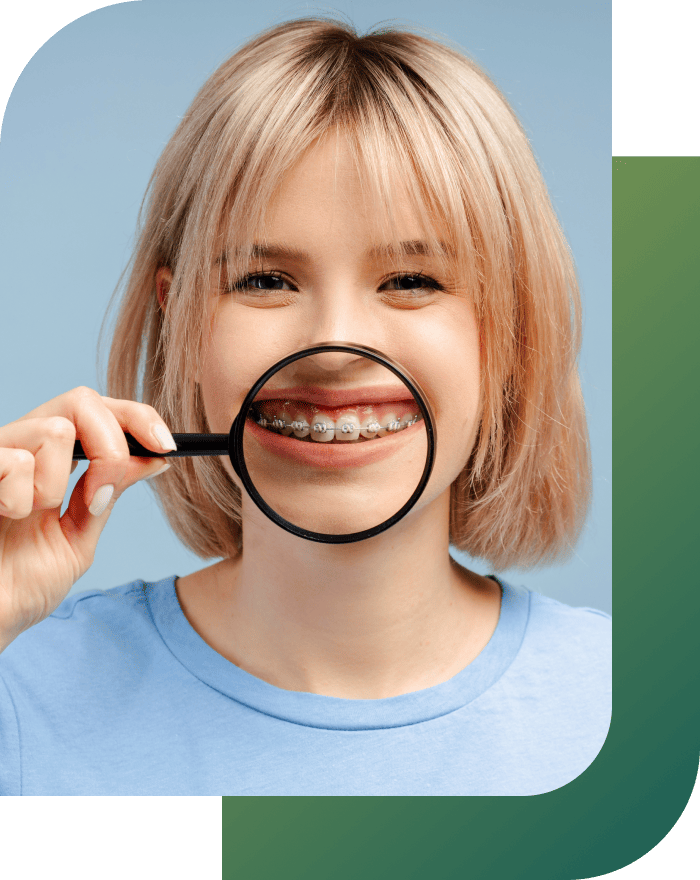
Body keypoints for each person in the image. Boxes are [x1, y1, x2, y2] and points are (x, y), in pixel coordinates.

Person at [0, 18, 610, 796]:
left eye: (412, 281)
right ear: (180, 317)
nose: (334, 344)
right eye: (265, 281)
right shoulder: (21, 696)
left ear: (513, 334)